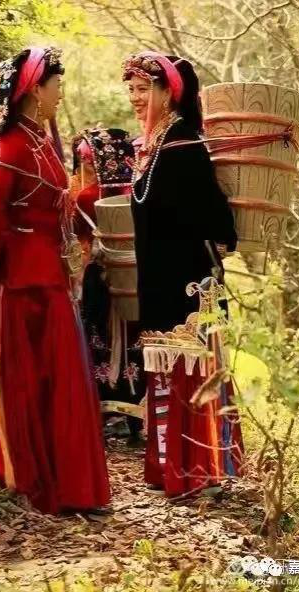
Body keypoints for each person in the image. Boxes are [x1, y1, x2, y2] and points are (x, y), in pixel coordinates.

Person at [0, 46, 110, 515]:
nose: (60, 94)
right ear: (35, 89)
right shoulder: (12, 143)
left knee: (59, 377)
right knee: (32, 379)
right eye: (56, 85)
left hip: (49, 275)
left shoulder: (40, 140)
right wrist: (1, 254)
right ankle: (37, 478)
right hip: (25, 279)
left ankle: (69, 483)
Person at [122, 50, 243, 497]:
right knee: (166, 370)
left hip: (190, 282)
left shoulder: (186, 146)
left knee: (192, 368)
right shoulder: (153, 148)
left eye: (143, 89)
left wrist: (221, 239)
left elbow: (215, 216)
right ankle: (170, 468)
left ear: (169, 93)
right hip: (160, 279)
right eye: (131, 90)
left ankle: (200, 469)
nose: (135, 98)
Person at [69, 129, 145, 444]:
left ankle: (101, 410)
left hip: (99, 277)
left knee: (98, 338)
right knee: (134, 340)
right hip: (134, 277)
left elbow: (78, 235)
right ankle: (135, 416)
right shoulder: (139, 193)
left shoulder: (87, 198)